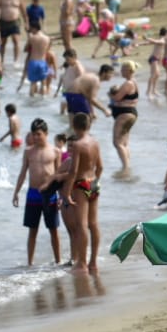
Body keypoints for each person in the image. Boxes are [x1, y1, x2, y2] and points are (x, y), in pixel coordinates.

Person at [12, 118, 64, 266]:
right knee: (32, 230)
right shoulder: (28, 152)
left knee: (53, 230)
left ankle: (58, 261)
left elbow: (59, 175)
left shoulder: (55, 151)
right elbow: (23, 173)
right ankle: (29, 263)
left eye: (39, 134)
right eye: (34, 134)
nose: (36, 137)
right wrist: (16, 192)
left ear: (46, 133)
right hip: (33, 194)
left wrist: (61, 196)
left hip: (50, 194)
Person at [60, 112, 103, 272]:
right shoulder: (95, 142)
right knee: (94, 224)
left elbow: (73, 171)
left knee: (82, 225)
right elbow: (100, 167)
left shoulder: (78, 145)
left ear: (74, 125)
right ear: (89, 125)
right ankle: (93, 263)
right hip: (94, 184)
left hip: (81, 184)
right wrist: (96, 181)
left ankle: (82, 263)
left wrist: (67, 191)